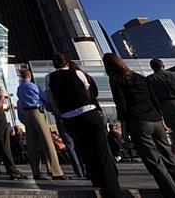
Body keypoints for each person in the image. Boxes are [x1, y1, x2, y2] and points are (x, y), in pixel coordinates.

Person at [104, 53, 175, 198]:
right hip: (155, 120)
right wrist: (162, 120)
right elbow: (154, 99)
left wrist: (124, 128)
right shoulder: (141, 78)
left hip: (139, 122)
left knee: (155, 163)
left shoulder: (116, 80)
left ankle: (174, 195)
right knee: (171, 161)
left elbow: (121, 105)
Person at [46, 53, 120, 197]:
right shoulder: (78, 73)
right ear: (67, 62)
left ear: (54, 64)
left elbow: (52, 100)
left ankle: (96, 180)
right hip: (88, 113)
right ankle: (112, 190)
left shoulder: (50, 78)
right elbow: (87, 92)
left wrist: (60, 113)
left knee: (84, 150)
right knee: (101, 151)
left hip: (69, 117)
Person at [16, 69, 66, 180]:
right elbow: (44, 98)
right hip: (37, 112)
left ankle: (36, 171)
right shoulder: (33, 86)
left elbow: (19, 101)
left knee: (32, 144)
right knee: (47, 141)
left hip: (26, 114)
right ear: (29, 75)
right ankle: (55, 171)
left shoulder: (19, 88)